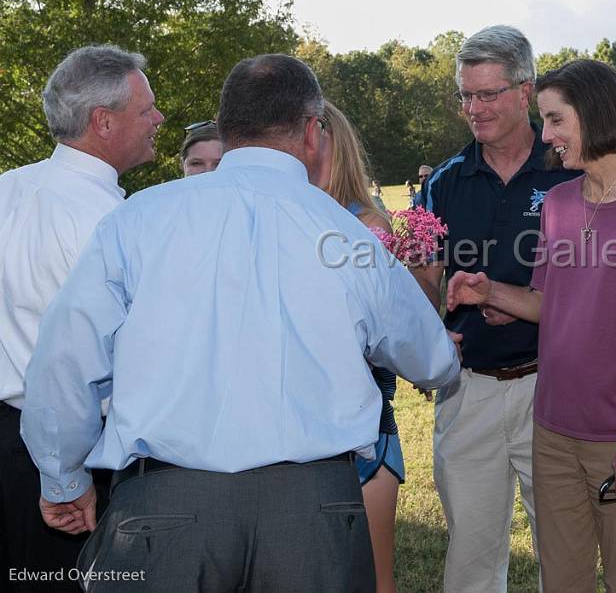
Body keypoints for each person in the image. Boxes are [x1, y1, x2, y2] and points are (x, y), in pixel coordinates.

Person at [20, 54, 461, 592]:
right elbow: (433, 360)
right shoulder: (345, 236)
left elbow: (65, 356)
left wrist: (64, 476)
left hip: (164, 509)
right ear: (312, 131)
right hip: (313, 516)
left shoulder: (137, 220)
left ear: (226, 132)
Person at [446, 59, 616, 592]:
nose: (548, 136)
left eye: (556, 120)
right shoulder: (557, 202)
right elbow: (546, 302)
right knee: (562, 580)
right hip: (552, 430)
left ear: (596, 114)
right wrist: (486, 291)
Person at [412, 25, 579, 592]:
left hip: (553, 387)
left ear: (526, 92)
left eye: (488, 95)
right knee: (472, 558)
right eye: (465, 95)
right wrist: (432, 320)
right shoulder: (442, 183)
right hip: (468, 390)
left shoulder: (572, 172)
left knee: (565, 551)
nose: (473, 109)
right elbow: (420, 282)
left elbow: (598, 290)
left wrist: (524, 305)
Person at [0, 45, 162, 590]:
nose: (159, 120)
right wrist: (68, 475)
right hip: (78, 459)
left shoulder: (6, 191)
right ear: (104, 121)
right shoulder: (116, 224)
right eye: (148, 109)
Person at [317, 100, 403, 593]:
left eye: (314, 137)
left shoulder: (367, 224)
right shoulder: (275, 213)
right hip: (292, 439)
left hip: (364, 436)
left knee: (372, 579)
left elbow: (382, 336)